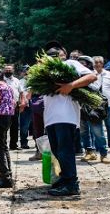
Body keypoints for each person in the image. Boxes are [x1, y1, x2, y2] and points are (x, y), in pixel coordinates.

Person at [40, 41, 97, 196]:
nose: (52, 54)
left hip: (65, 116)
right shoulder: (45, 70)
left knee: (65, 151)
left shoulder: (70, 64)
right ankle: (65, 180)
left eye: (56, 51)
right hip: (51, 117)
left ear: (62, 53)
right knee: (58, 151)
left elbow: (92, 76)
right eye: (49, 52)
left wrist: (71, 85)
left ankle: (72, 184)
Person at [76, 56, 110, 164]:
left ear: (89, 64)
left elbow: (95, 87)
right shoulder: (75, 76)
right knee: (83, 132)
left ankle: (103, 154)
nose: (82, 65)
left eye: (84, 63)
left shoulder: (94, 74)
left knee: (97, 132)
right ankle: (89, 152)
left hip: (93, 109)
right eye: (80, 63)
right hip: (80, 108)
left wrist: (81, 83)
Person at [17, 65, 32, 149]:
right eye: (25, 71)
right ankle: (24, 142)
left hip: (35, 104)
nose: (27, 72)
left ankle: (38, 144)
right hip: (25, 106)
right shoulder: (20, 82)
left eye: (28, 71)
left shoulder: (35, 81)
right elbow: (20, 93)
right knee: (24, 126)